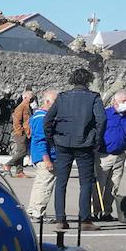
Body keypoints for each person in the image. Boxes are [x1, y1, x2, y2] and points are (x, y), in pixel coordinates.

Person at [43, 68, 105, 231]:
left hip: (63, 142)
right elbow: (101, 120)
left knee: (61, 182)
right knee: (86, 182)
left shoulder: (63, 97)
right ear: (88, 81)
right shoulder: (93, 97)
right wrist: (96, 140)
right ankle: (84, 220)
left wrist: (52, 140)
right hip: (85, 144)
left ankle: (60, 220)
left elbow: (47, 120)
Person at [96, 90, 126, 221]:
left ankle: (107, 212)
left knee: (113, 186)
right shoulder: (105, 115)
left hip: (120, 156)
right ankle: (96, 211)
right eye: (123, 101)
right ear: (114, 101)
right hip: (103, 156)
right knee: (99, 185)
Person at [26, 90, 57, 220]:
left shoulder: (38, 116)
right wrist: (47, 159)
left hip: (40, 156)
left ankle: (33, 210)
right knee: (45, 185)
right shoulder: (42, 119)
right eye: (55, 102)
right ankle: (38, 211)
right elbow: (40, 140)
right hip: (45, 156)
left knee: (39, 183)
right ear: (47, 102)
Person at [7, 89, 36, 176]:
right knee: (22, 152)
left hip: (26, 132)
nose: (33, 97)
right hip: (20, 133)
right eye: (31, 96)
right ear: (25, 97)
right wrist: (21, 132)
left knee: (21, 151)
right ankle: (8, 164)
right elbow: (16, 120)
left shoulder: (28, 107)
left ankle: (19, 171)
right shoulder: (21, 106)